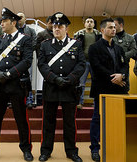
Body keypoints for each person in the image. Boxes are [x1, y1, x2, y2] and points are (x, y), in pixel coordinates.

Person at [0, 8, 33, 161]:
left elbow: (27, 61)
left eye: (4, 21)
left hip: (17, 85)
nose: (1, 23)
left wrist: (9, 74)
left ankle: (26, 149)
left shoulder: (25, 39)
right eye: (1, 21)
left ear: (13, 22)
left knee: (21, 119)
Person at [38, 12, 85, 162]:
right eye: (55, 26)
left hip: (69, 88)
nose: (57, 29)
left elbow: (81, 64)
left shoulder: (76, 44)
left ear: (66, 28)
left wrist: (70, 79)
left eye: (60, 26)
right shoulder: (45, 45)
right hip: (51, 87)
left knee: (69, 122)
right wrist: (54, 78)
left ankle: (71, 151)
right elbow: (42, 64)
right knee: (48, 122)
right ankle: (46, 151)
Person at [88, 18, 129, 162]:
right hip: (102, 88)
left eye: (114, 27)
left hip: (119, 90)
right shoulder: (94, 48)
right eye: (110, 27)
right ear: (102, 30)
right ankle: (94, 148)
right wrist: (115, 78)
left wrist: (121, 76)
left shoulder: (119, 48)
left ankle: (115, 146)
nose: (114, 29)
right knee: (97, 119)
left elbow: (125, 66)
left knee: (118, 119)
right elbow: (97, 67)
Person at [74, 17, 101, 109]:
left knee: (96, 83)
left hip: (95, 62)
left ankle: (96, 103)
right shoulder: (79, 34)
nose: (89, 23)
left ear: (94, 24)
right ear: (84, 24)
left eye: (91, 22)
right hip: (83, 62)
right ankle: (80, 102)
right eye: (87, 21)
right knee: (81, 83)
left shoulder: (99, 35)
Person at [17, 12, 37, 109]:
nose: (19, 19)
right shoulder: (13, 30)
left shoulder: (31, 30)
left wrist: (27, 51)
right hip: (15, 58)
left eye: (21, 17)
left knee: (28, 79)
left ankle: (29, 100)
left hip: (27, 58)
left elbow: (35, 41)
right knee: (15, 79)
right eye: (18, 17)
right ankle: (15, 101)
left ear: (25, 19)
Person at [113, 17, 137, 89]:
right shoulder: (110, 37)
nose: (113, 28)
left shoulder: (130, 38)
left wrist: (123, 56)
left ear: (121, 25)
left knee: (124, 86)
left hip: (125, 66)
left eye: (115, 25)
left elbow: (134, 50)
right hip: (111, 66)